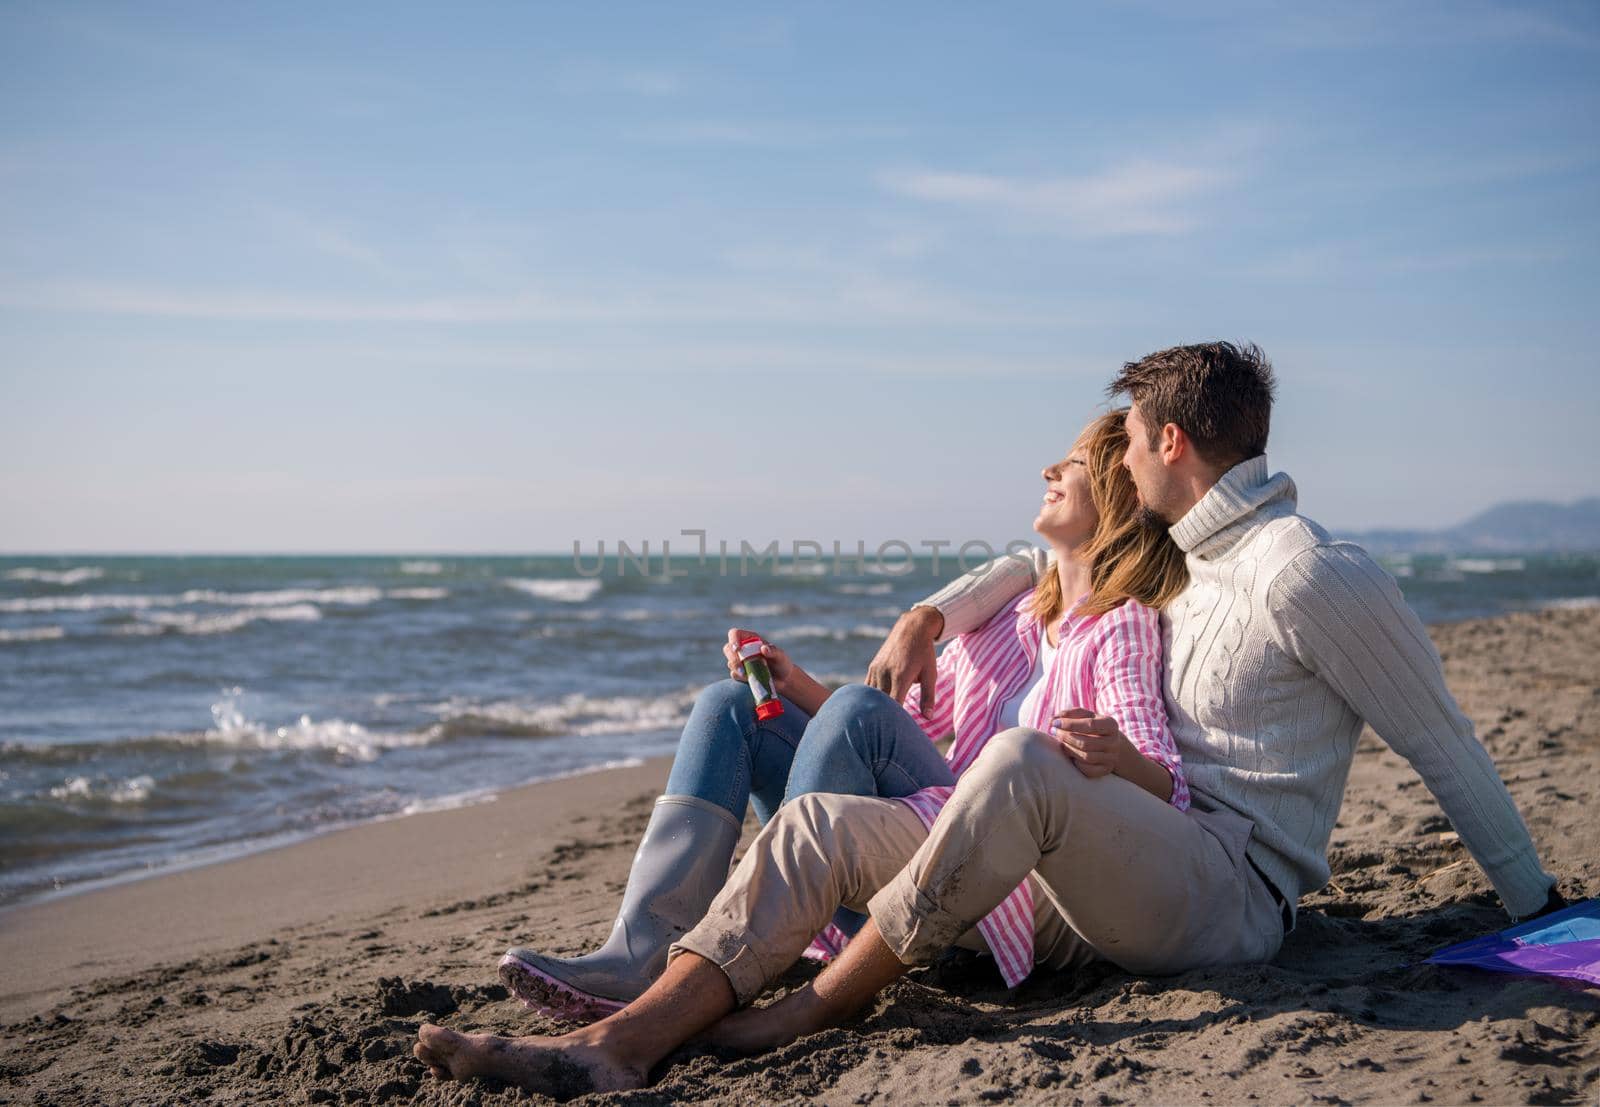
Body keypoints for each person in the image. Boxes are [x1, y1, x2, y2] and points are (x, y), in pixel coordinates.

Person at [414, 342, 1563, 1095]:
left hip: (1228, 892)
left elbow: (1442, 743)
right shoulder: (1176, 557)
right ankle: (619, 1043)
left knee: (1011, 753)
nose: (1105, 458)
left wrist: (1548, 916)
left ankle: (810, 1002)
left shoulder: (1306, 573)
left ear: (1169, 444)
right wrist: (930, 608)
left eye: (1120, 440)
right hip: (1099, 859)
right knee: (813, 825)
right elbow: (1040, 552)